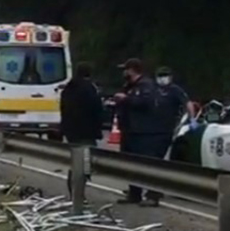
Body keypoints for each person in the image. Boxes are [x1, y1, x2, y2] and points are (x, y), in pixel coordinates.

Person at [114, 58, 167, 207]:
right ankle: (134, 193)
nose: (124, 73)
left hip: (144, 132)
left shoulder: (146, 86)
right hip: (130, 130)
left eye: (126, 69)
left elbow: (145, 103)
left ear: (132, 70)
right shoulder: (129, 86)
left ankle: (152, 195)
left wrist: (126, 99)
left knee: (147, 164)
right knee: (131, 164)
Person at [59, 62, 104, 199]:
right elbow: (96, 110)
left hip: (71, 130)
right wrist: (98, 128)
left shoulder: (69, 88)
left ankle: (75, 190)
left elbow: (64, 108)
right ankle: (78, 192)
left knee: (76, 161)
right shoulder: (89, 89)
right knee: (85, 163)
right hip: (86, 131)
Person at [155, 66, 197, 144]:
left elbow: (188, 103)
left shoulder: (175, 90)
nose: (162, 78)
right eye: (160, 76)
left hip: (170, 126)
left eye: (165, 76)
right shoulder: (153, 89)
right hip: (155, 126)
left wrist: (192, 118)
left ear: (170, 77)